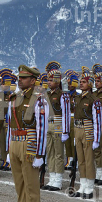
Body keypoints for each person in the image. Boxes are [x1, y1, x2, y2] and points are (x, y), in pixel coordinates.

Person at [2, 65, 48, 202]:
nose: (19, 80)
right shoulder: (15, 97)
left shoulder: (39, 99)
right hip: (14, 142)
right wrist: (8, 149)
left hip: (29, 144)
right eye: (19, 77)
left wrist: (40, 154)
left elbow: (42, 128)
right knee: (19, 184)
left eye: (23, 77)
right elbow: (10, 124)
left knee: (31, 185)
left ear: (33, 81)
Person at [71, 66, 102, 199]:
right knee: (81, 159)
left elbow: (97, 120)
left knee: (89, 159)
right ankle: (82, 184)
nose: (80, 83)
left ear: (89, 84)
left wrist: (96, 138)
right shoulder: (77, 98)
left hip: (88, 130)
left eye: (83, 82)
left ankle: (89, 186)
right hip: (77, 129)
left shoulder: (94, 100)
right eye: (81, 81)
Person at [41, 61, 70, 191]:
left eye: (51, 80)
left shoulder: (63, 95)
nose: (49, 82)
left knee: (58, 153)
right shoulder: (47, 94)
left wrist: (66, 131)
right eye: (48, 80)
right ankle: (51, 178)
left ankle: (58, 180)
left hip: (58, 123)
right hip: (48, 123)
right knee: (50, 152)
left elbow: (66, 113)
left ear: (57, 81)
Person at [63, 70, 79, 170]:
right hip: (66, 118)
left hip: (74, 118)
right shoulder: (65, 95)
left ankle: (75, 161)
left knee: (74, 141)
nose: (68, 85)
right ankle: (69, 160)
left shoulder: (77, 96)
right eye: (68, 83)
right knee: (67, 141)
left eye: (70, 83)